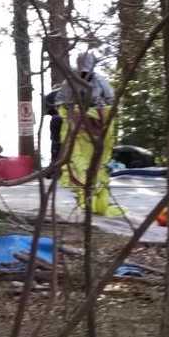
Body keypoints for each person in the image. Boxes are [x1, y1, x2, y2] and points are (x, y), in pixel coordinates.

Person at [57, 51, 123, 217]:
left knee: (97, 163)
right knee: (78, 162)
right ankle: (85, 197)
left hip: (96, 131)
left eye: (87, 72)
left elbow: (111, 102)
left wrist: (98, 111)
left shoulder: (100, 81)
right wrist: (72, 110)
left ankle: (98, 198)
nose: (84, 75)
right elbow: (60, 101)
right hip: (78, 131)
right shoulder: (69, 82)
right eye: (82, 72)